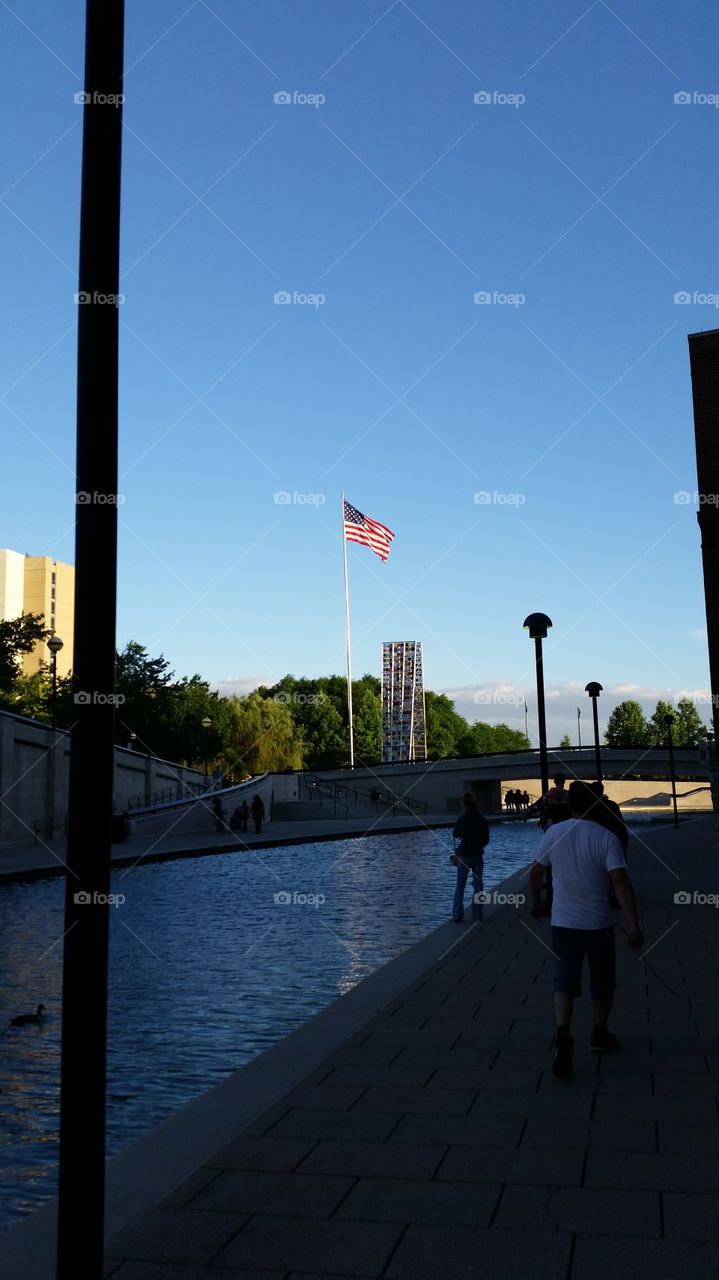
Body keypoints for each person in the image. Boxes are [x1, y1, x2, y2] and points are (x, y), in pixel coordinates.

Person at [528, 779, 643, 1079]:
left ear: (570, 805)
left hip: (563, 923)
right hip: (598, 924)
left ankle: (563, 1032)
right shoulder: (606, 837)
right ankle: (599, 1033)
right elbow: (620, 882)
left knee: (563, 981)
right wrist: (633, 925)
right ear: (595, 803)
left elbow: (536, 870)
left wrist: (537, 902)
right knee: (602, 981)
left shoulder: (554, 832)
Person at [451, 792, 490, 923]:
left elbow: (455, 833)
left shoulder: (462, 819)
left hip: (463, 856)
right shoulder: (482, 820)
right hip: (477, 855)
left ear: (464, 804)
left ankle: (457, 914)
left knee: (460, 885)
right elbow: (486, 840)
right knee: (478, 885)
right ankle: (477, 915)